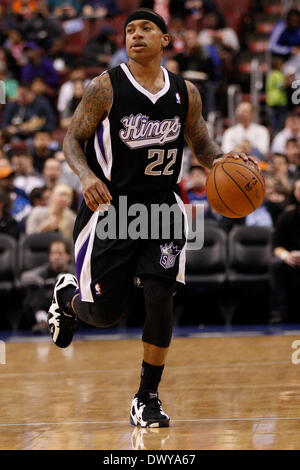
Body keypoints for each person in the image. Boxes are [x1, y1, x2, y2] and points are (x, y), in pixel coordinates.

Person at [47, 8, 258, 428]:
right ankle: (67, 300)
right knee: (106, 313)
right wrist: (86, 175)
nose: (136, 35)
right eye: (129, 30)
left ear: (165, 39)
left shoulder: (186, 92)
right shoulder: (103, 87)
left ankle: (147, 397)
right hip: (109, 208)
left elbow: (201, 143)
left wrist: (223, 160)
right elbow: (72, 139)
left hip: (162, 207)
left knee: (160, 297)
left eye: (146, 29)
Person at [20, 239, 75, 333]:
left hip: (65, 309)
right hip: (46, 305)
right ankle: (43, 321)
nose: (56, 257)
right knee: (34, 290)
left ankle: (67, 322)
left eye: (60, 253)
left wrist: (58, 284)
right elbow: (24, 277)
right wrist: (43, 282)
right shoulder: (45, 270)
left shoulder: (72, 272)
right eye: (53, 253)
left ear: (68, 256)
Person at [269, 178, 300, 323]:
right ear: (295, 193)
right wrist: (286, 255)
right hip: (291, 259)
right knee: (276, 265)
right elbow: (276, 246)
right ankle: (279, 314)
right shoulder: (286, 216)